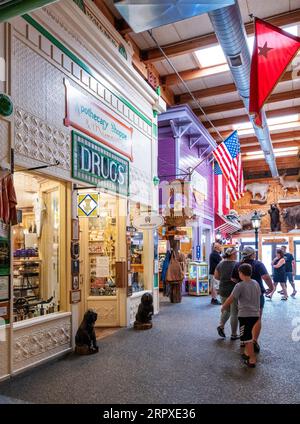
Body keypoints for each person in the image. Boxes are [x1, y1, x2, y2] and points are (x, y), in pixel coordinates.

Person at [232, 246, 274, 353]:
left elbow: (233, 278)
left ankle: (244, 340)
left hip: (242, 295)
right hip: (257, 293)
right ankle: (254, 341)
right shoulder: (258, 264)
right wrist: (271, 287)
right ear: (252, 255)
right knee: (257, 317)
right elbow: (266, 277)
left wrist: (240, 284)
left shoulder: (238, 264)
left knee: (243, 317)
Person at [221, 263, 261, 368]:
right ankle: (247, 354)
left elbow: (231, 298)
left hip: (245, 315)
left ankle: (252, 359)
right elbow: (259, 295)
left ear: (240, 273)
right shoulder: (256, 283)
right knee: (249, 334)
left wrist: (224, 306)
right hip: (255, 314)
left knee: (246, 338)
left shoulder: (240, 285)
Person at [214, 247, 239, 339]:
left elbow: (216, 276)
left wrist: (224, 279)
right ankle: (234, 334)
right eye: (235, 253)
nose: (236, 254)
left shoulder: (220, 264)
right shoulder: (237, 264)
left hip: (223, 289)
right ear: (232, 255)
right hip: (233, 290)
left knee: (226, 309)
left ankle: (221, 326)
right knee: (234, 313)